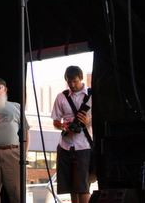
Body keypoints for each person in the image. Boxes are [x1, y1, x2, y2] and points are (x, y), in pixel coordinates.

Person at [51, 66, 93, 203]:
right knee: (69, 187)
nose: (72, 85)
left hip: (84, 145)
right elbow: (56, 121)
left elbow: (102, 119)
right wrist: (64, 126)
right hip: (65, 145)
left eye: (74, 81)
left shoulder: (92, 95)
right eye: (69, 82)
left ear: (81, 78)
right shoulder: (61, 97)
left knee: (83, 186)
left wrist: (88, 121)